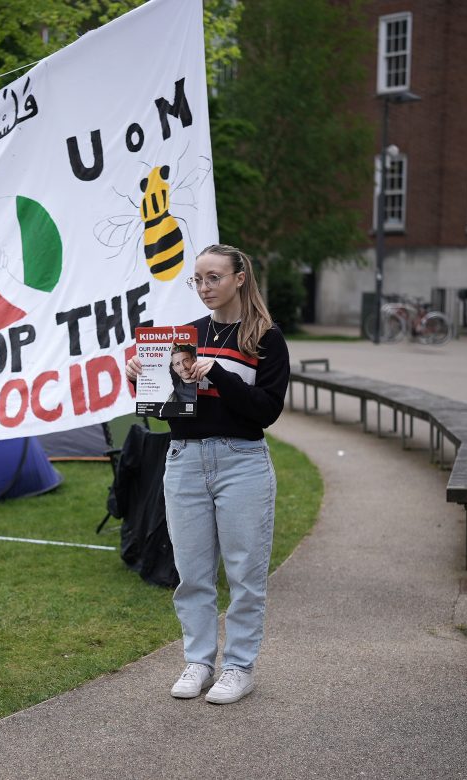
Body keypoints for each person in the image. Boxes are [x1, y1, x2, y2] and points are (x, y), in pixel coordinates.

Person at [126, 243, 289, 705]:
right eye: (197, 279)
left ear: (240, 277)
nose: (204, 287)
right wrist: (142, 378)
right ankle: (199, 661)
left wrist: (217, 373)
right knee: (193, 573)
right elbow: (165, 414)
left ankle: (238, 668)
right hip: (185, 460)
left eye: (213, 277)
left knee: (244, 574)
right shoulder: (184, 337)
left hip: (243, 462)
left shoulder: (266, 339)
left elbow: (265, 411)